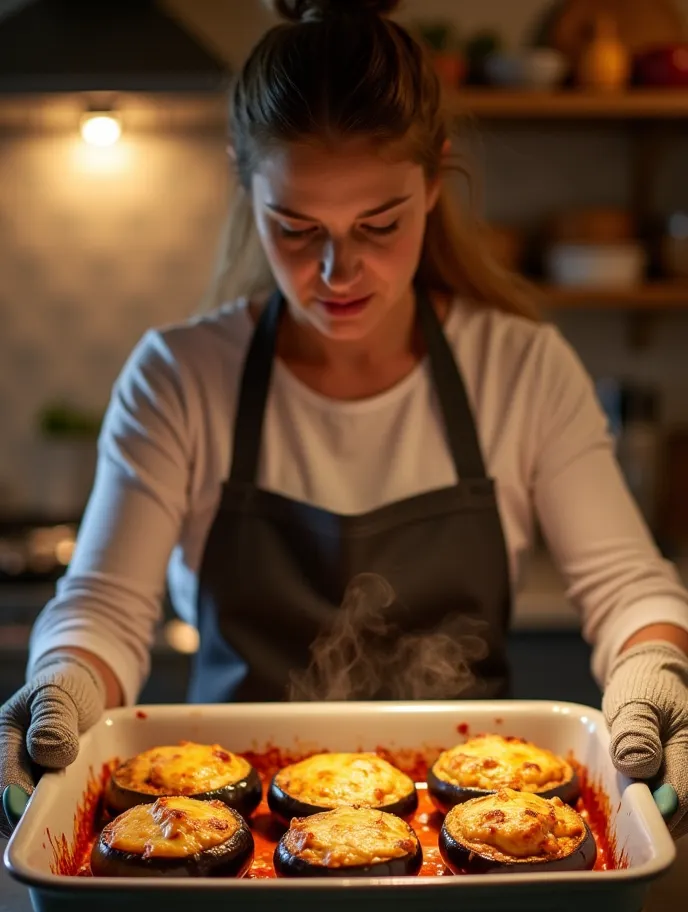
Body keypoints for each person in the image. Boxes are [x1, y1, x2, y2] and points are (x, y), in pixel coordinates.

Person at [1, 0, 687, 839]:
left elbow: (627, 586)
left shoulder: (520, 369)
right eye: (295, 227)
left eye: (379, 224)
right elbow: (104, 606)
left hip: (479, 827)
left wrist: (655, 669)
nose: (337, 270)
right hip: (231, 831)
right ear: (244, 184)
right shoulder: (181, 378)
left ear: (434, 181)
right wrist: (61, 685)